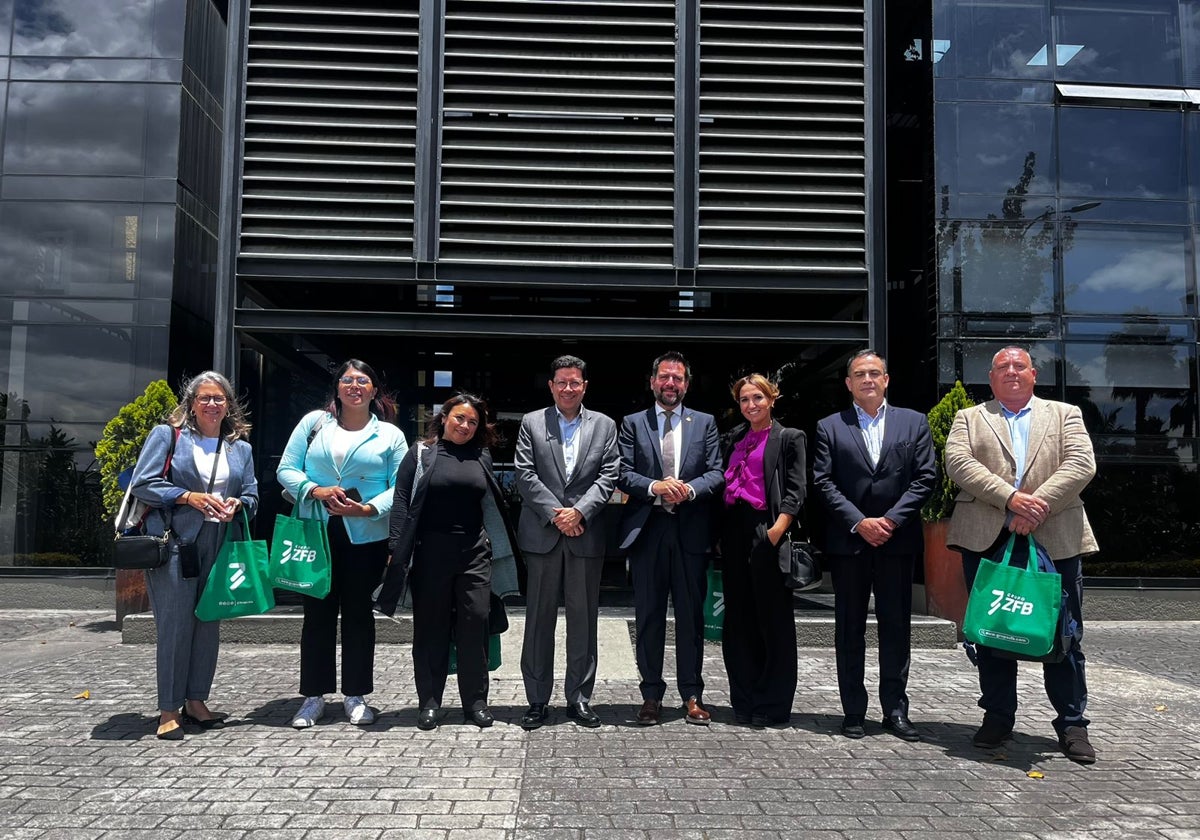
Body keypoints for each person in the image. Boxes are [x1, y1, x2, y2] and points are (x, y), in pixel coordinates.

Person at [945, 346, 1099, 764]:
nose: (1010, 372)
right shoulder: (971, 417)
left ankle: (1071, 723)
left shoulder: (1065, 414)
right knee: (992, 630)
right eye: (1002, 367)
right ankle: (997, 716)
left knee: (1063, 631)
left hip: (1057, 537)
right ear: (991, 378)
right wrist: (1012, 499)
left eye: (1019, 366)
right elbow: (957, 462)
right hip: (987, 537)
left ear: (1033, 374)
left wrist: (1036, 506)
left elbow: (1082, 464)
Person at [376, 393, 521, 730]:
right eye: (460, 418)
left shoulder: (480, 455)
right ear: (444, 418)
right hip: (430, 552)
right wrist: (396, 547)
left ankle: (476, 703)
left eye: (472, 422)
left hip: (473, 553)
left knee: (476, 623)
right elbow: (401, 500)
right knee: (431, 628)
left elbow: (492, 505)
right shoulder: (421, 453)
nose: (466, 426)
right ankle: (429, 703)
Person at [277, 359, 409, 729]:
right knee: (316, 615)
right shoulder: (313, 424)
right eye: (347, 380)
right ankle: (313, 697)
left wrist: (367, 509)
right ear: (337, 388)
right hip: (315, 532)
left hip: (364, 534)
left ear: (374, 390)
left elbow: (400, 486)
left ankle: (356, 695)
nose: (354, 386)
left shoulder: (389, 435)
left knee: (358, 615)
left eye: (362, 380)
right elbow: (286, 469)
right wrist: (314, 490)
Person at [813, 350, 936, 741]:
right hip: (849, 543)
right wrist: (859, 522)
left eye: (874, 373)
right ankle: (853, 711)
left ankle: (895, 710)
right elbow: (823, 481)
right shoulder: (830, 427)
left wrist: (890, 520)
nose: (867, 379)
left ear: (886, 380)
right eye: (859, 374)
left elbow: (925, 478)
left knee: (896, 628)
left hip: (896, 542)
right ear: (848, 383)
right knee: (849, 629)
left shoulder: (914, 423)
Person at [129, 371, 259, 741]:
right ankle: (169, 709)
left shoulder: (241, 448)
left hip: (219, 541)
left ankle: (197, 701)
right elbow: (143, 482)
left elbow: (252, 494)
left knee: (208, 623)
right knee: (175, 627)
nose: (212, 404)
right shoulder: (167, 436)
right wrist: (188, 497)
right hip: (174, 543)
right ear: (191, 404)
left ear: (229, 404)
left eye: (219, 398)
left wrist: (239, 504)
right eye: (205, 398)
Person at [617, 351, 724, 726]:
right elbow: (622, 472)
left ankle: (692, 694)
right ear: (652, 382)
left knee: (691, 617)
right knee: (649, 616)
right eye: (664, 377)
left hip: (690, 531)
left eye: (677, 378)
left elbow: (716, 473)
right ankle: (650, 695)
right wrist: (654, 486)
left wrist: (689, 490)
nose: (670, 384)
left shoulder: (705, 422)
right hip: (648, 531)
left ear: (686, 384)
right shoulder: (633, 422)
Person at [514, 355, 620, 730]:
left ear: (584, 386)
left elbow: (609, 475)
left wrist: (580, 512)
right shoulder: (531, 422)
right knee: (538, 620)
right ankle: (537, 699)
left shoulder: (605, 426)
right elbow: (524, 474)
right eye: (561, 382)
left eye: (575, 382)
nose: (568, 388)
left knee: (583, 621)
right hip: (543, 535)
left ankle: (579, 698)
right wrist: (559, 514)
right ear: (552, 386)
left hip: (585, 535)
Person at [718, 373, 805, 727]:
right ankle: (745, 699)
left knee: (773, 621)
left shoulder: (789, 438)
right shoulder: (732, 439)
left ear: (772, 399)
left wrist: (775, 532)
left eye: (757, 398)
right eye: (744, 400)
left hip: (767, 529)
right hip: (733, 531)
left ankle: (773, 703)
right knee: (738, 619)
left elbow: (797, 490)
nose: (750, 405)